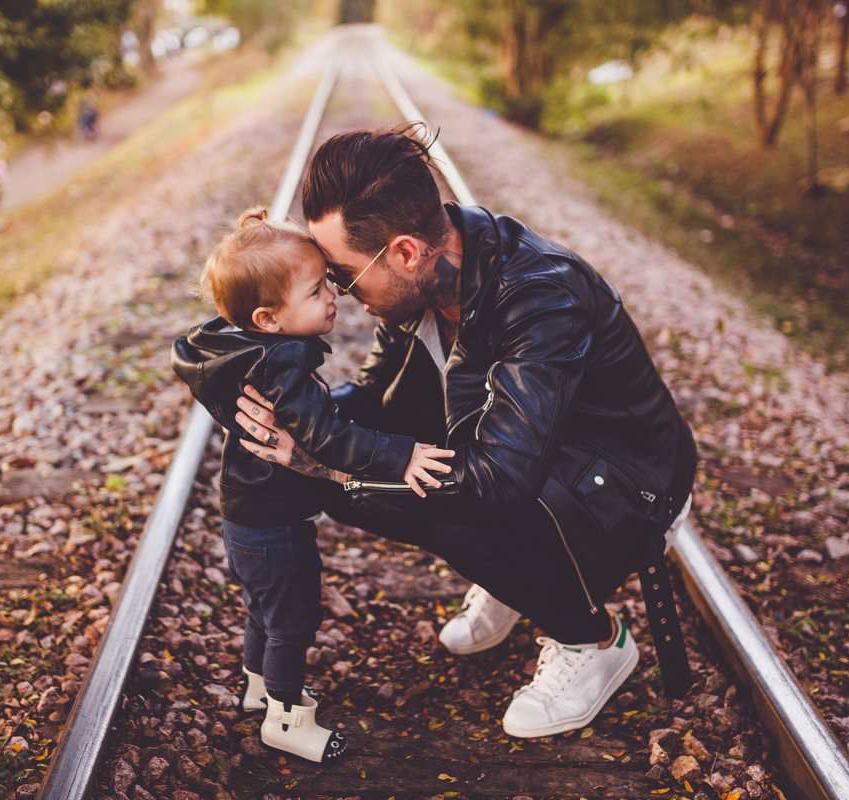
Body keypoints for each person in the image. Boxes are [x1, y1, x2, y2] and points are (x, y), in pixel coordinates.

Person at [235, 124, 698, 739]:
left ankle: (593, 639)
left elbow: (500, 481)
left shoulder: (539, 298)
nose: (343, 295)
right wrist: (295, 419)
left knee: (440, 505)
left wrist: (331, 465)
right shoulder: (422, 282)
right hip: (532, 455)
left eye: (343, 276)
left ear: (404, 252)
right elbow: (377, 397)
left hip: (628, 486)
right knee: (349, 472)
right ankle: (516, 582)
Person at [170, 207, 455, 762]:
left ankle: (258, 686)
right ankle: (285, 718)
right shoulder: (279, 369)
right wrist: (400, 455)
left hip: (253, 518)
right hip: (271, 524)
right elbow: (325, 439)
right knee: (293, 620)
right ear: (268, 318)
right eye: (317, 289)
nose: (334, 296)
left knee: (265, 610)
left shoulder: (255, 352)